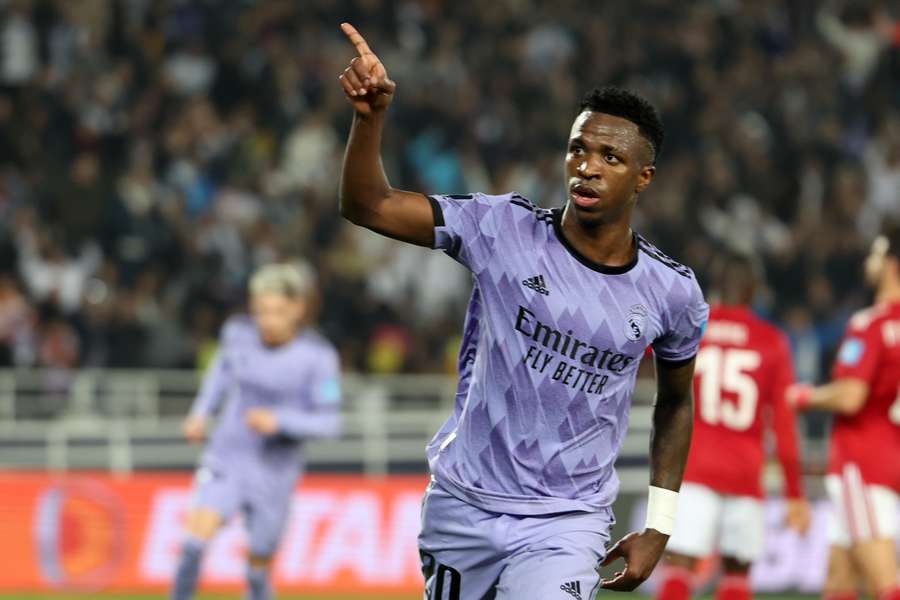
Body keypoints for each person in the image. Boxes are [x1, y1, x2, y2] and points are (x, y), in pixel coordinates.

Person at [337, 23, 709, 599]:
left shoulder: (671, 292)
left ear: (643, 177)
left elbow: (677, 402)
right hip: (465, 503)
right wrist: (369, 119)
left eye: (610, 157)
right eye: (578, 149)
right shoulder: (500, 228)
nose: (587, 166)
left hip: (568, 520)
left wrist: (659, 525)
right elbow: (369, 205)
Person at [170, 261, 342, 600]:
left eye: (277, 311)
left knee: (258, 566)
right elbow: (220, 373)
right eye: (260, 311)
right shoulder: (238, 334)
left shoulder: (320, 358)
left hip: (274, 473)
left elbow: (330, 423)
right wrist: (200, 413)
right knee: (192, 544)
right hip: (229, 456)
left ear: (298, 309)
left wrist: (280, 421)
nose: (267, 321)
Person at [656, 253, 811, 600]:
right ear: (754, 291)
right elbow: (785, 424)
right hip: (745, 470)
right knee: (737, 573)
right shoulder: (771, 340)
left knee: (680, 565)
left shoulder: (692, 330)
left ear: (717, 286)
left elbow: (664, 392)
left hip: (695, 466)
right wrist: (795, 493)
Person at [788, 224, 900, 600]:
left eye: (877, 255)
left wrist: (803, 396)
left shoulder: (870, 324)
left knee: (887, 584)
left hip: (863, 464)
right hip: (892, 458)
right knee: (839, 577)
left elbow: (851, 396)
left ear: (891, 266)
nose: (870, 262)